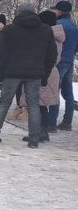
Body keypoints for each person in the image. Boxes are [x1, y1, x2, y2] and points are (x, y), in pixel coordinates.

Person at [0, 4, 58, 147]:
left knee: (4, 103)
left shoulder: (10, 30)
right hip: (35, 72)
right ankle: (34, 139)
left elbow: (1, 54)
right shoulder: (45, 30)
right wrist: (44, 73)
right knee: (33, 106)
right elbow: (52, 55)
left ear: (18, 13)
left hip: (12, 72)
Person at [38, 10, 66, 140]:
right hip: (51, 71)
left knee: (41, 104)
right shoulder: (57, 35)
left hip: (45, 71)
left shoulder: (48, 35)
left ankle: (42, 132)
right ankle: (42, 131)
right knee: (42, 103)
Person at [52, 1, 77, 131]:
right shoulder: (74, 26)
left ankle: (51, 122)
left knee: (54, 91)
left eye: (56, 10)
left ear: (60, 11)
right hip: (69, 61)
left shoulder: (57, 25)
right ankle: (67, 121)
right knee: (68, 93)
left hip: (59, 62)